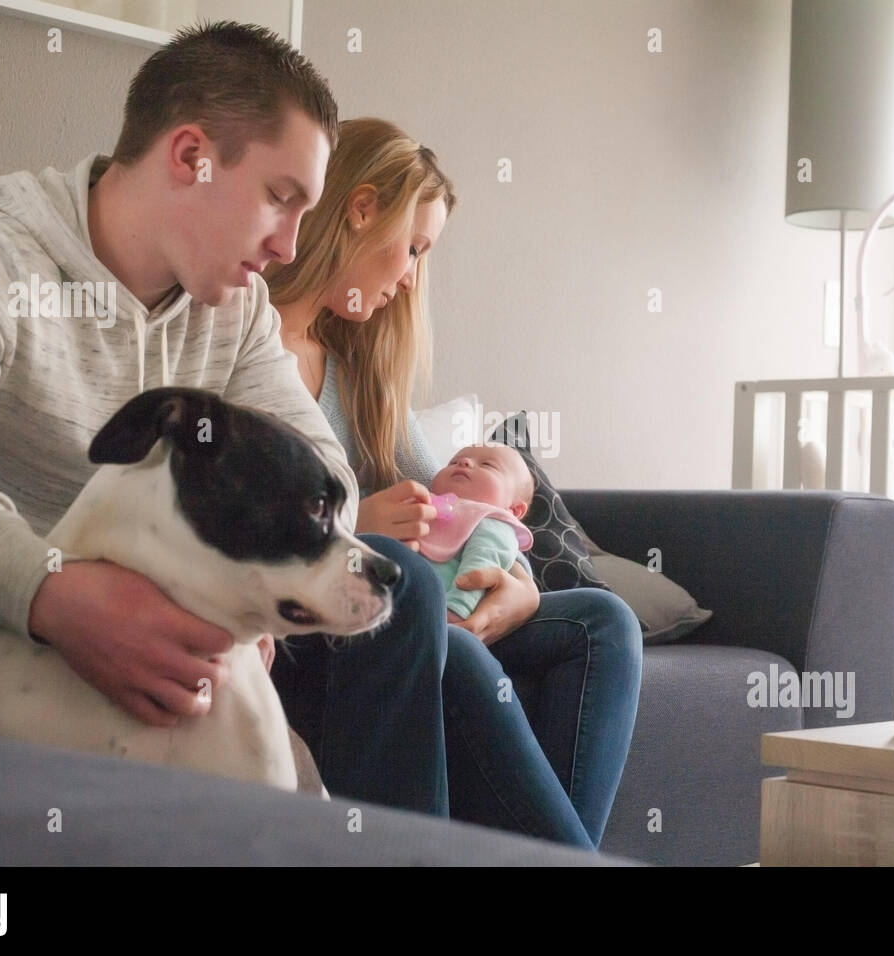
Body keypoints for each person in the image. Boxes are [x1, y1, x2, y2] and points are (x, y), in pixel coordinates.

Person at [0, 23, 470, 828]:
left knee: (407, 595)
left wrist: (244, 598)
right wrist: (51, 591)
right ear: (190, 156)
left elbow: (322, 464)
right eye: (280, 199)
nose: (288, 247)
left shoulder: (239, 308)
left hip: (200, 611)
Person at [264, 117, 643, 847]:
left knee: (605, 623)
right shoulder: (244, 343)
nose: (409, 277)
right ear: (359, 209)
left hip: (405, 615)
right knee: (446, 637)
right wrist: (356, 526)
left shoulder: (354, 375)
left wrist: (521, 584)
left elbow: (457, 505)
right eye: (411, 248)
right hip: (312, 629)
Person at [422, 443, 535, 625]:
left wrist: (456, 611)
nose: (464, 462)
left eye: (487, 465)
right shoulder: (422, 503)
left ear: (513, 510)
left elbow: (481, 567)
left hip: (445, 615)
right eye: (453, 462)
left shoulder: (493, 522)